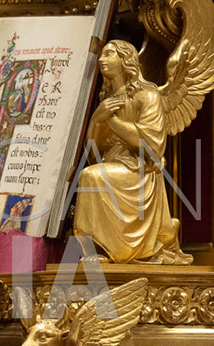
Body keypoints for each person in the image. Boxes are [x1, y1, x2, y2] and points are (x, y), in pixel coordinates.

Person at [73, 40, 192, 264]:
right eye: (102, 55)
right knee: (91, 173)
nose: (102, 59)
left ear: (126, 60)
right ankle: (99, 249)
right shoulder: (106, 100)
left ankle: (108, 248)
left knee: (90, 176)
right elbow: (93, 152)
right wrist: (96, 120)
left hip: (140, 169)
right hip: (113, 164)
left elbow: (152, 145)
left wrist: (110, 120)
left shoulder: (148, 95)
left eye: (109, 54)